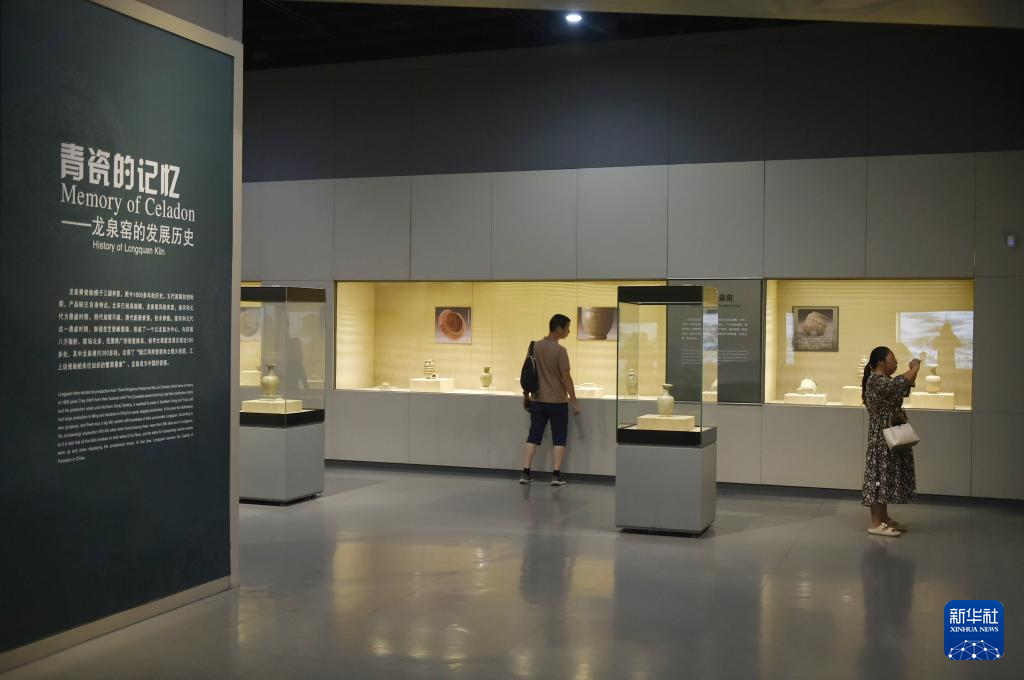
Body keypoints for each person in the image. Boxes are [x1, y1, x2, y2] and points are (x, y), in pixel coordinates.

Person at [861, 346, 921, 537]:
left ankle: (884, 518)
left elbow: (901, 387)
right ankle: (875, 523)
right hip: (881, 438)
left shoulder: (883, 380)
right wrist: (914, 368)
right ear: (881, 362)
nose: (896, 362)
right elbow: (898, 385)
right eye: (892, 359)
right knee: (879, 478)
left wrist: (912, 372)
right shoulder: (876, 380)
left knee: (884, 477)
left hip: (889, 434)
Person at [520, 314, 580, 486]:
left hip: (537, 400)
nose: (569, 331)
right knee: (559, 437)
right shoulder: (560, 351)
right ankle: (556, 475)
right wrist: (574, 401)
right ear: (559, 328)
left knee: (533, 436)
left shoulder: (534, 347)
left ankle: (525, 472)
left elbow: (527, 373)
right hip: (557, 401)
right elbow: (566, 378)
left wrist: (526, 395)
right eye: (567, 328)